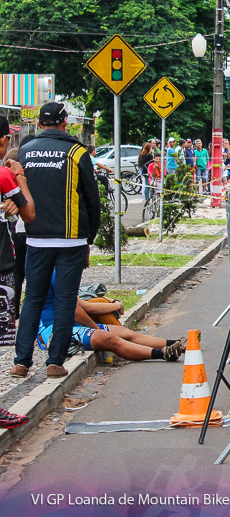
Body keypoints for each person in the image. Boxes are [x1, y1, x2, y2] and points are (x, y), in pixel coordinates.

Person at [13, 102, 101, 380]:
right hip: (71, 240)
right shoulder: (77, 152)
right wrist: (90, 239)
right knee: (64, 301)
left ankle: (21, 361)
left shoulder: (25, 152)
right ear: (65, 123)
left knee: (33, 300)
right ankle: (55, 361)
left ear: (39, 124)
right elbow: (92, 201)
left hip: (36, 238)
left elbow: (17, 194)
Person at [35, 279, 188, 363]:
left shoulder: (62, 269)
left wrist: (113, 302)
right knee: (106, 338)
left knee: (123, 332)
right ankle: (161, 353)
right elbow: (73, 310)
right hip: (53, 329)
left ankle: (176, 344)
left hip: (71, 324)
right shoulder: (56, 272)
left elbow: (86, 306)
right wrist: (96, 328)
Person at [0, 121, 35, 346]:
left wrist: (9, 208)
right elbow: (29, 213)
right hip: (2, 264)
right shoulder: (4, 175)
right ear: (3, 139)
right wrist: (20, 176)